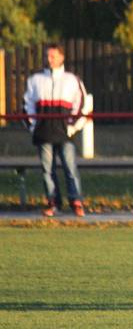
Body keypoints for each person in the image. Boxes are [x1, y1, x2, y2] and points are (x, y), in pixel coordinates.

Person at [23, 43, 90, 217]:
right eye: (47, 56)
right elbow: (27, 105)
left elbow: (81, 104)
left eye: (53, 56)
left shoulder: (72, 80)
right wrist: (32, 126)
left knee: (70, 167)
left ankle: (76, 201)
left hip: (64, 132)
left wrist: (72, 127)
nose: (49, 59)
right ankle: (53, 203)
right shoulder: (35, 80)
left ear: (61, 57)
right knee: (47, 169)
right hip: (44, 132)